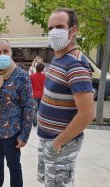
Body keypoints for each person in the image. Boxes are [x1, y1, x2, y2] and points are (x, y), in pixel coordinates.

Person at [37, 8, 95, 187]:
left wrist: (58, 142)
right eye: (51, 28)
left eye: (60, 27)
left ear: (73, 30)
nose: (54, 32)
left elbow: (87, 114)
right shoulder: (58, 59)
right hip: (47, 138)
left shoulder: (75, 66)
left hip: (60, 142)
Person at [0, 39, 34, 187]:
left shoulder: (21, 76)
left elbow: (28, 106)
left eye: (5, 51)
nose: (2, 55)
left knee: (14, 166)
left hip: (12, 132)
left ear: (11, 53)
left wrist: (24, 134)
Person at [30, 63, 45, 127]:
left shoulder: (32, 76)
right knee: (41, 110)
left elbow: (30, 86)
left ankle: (34, 123)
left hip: (34, 95)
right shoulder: (44, 76)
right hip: (42, 95)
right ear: (43, 69)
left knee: (34, 110)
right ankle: (42, 123)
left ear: (35, 68)